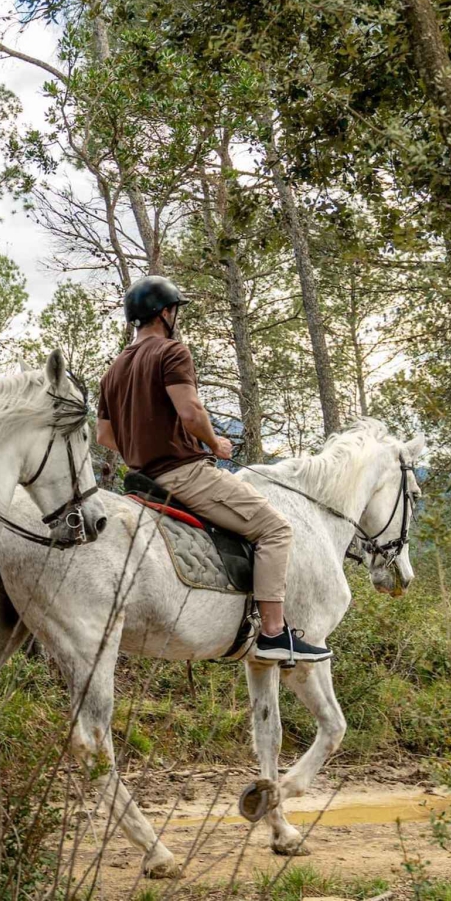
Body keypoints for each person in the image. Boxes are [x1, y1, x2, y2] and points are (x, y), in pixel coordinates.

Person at [96, 275, 331, 664]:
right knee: (275, 530)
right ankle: (273, 633)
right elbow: (190, 412)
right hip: (184, 475)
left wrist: (142, 448)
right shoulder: (172, 352)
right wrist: (214, 443)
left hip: (141, 481)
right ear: (165, 313)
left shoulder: (113, 371)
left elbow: (104, 435)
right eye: (176, 310)